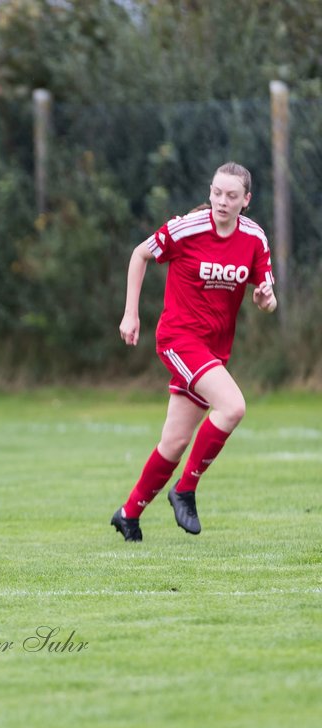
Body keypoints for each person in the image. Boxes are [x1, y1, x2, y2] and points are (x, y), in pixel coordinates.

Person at [110, 162, 276, 541]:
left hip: (215, 349)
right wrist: (130, 314)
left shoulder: (254, 239)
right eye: (216, 192)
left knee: (174, 442)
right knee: (233, 407)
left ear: (245, 200)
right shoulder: (187, 228)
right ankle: (185, 489)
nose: (221, 201)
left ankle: (128, 514)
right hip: (178, 339)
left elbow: (268, 300)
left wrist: (266, 298)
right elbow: (140, 255)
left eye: (231, 196)